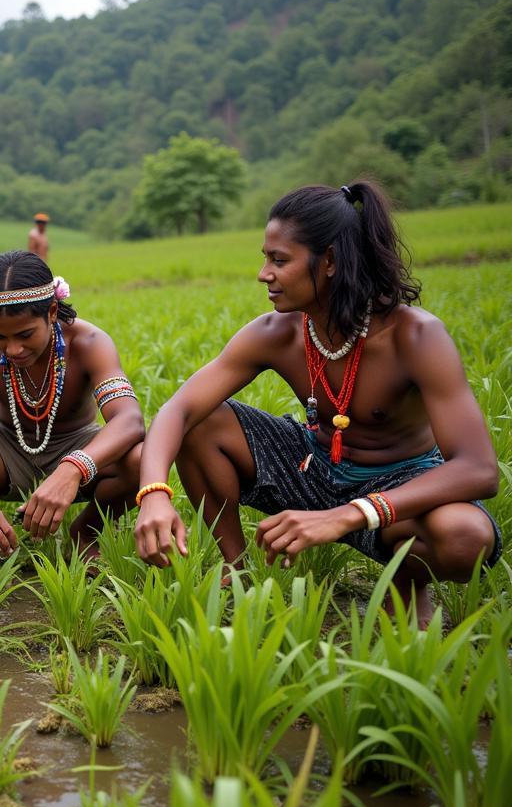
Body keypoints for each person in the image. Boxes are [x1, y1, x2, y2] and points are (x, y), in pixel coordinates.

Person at [134, 181, 501, 622]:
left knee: (465, 536)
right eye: (265, 258)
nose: (264, 274)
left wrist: (349, 515)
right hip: (312, 467)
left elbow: (479, 469)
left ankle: (405, 584)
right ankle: (239, 572)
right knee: (201, 422)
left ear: (329, 261)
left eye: (279, 260)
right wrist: (154, 493)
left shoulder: (415, 336)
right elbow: (179, 409)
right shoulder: (278, 332)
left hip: (400, 487)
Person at [0, 250, 144, 557]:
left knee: (141, 456)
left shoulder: (90, 343)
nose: (13, 349)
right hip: (4, 452)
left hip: (78, 447)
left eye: (25, 334)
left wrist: (72, 468)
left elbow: (129, 420)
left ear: (52, 311)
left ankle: (85, 533)